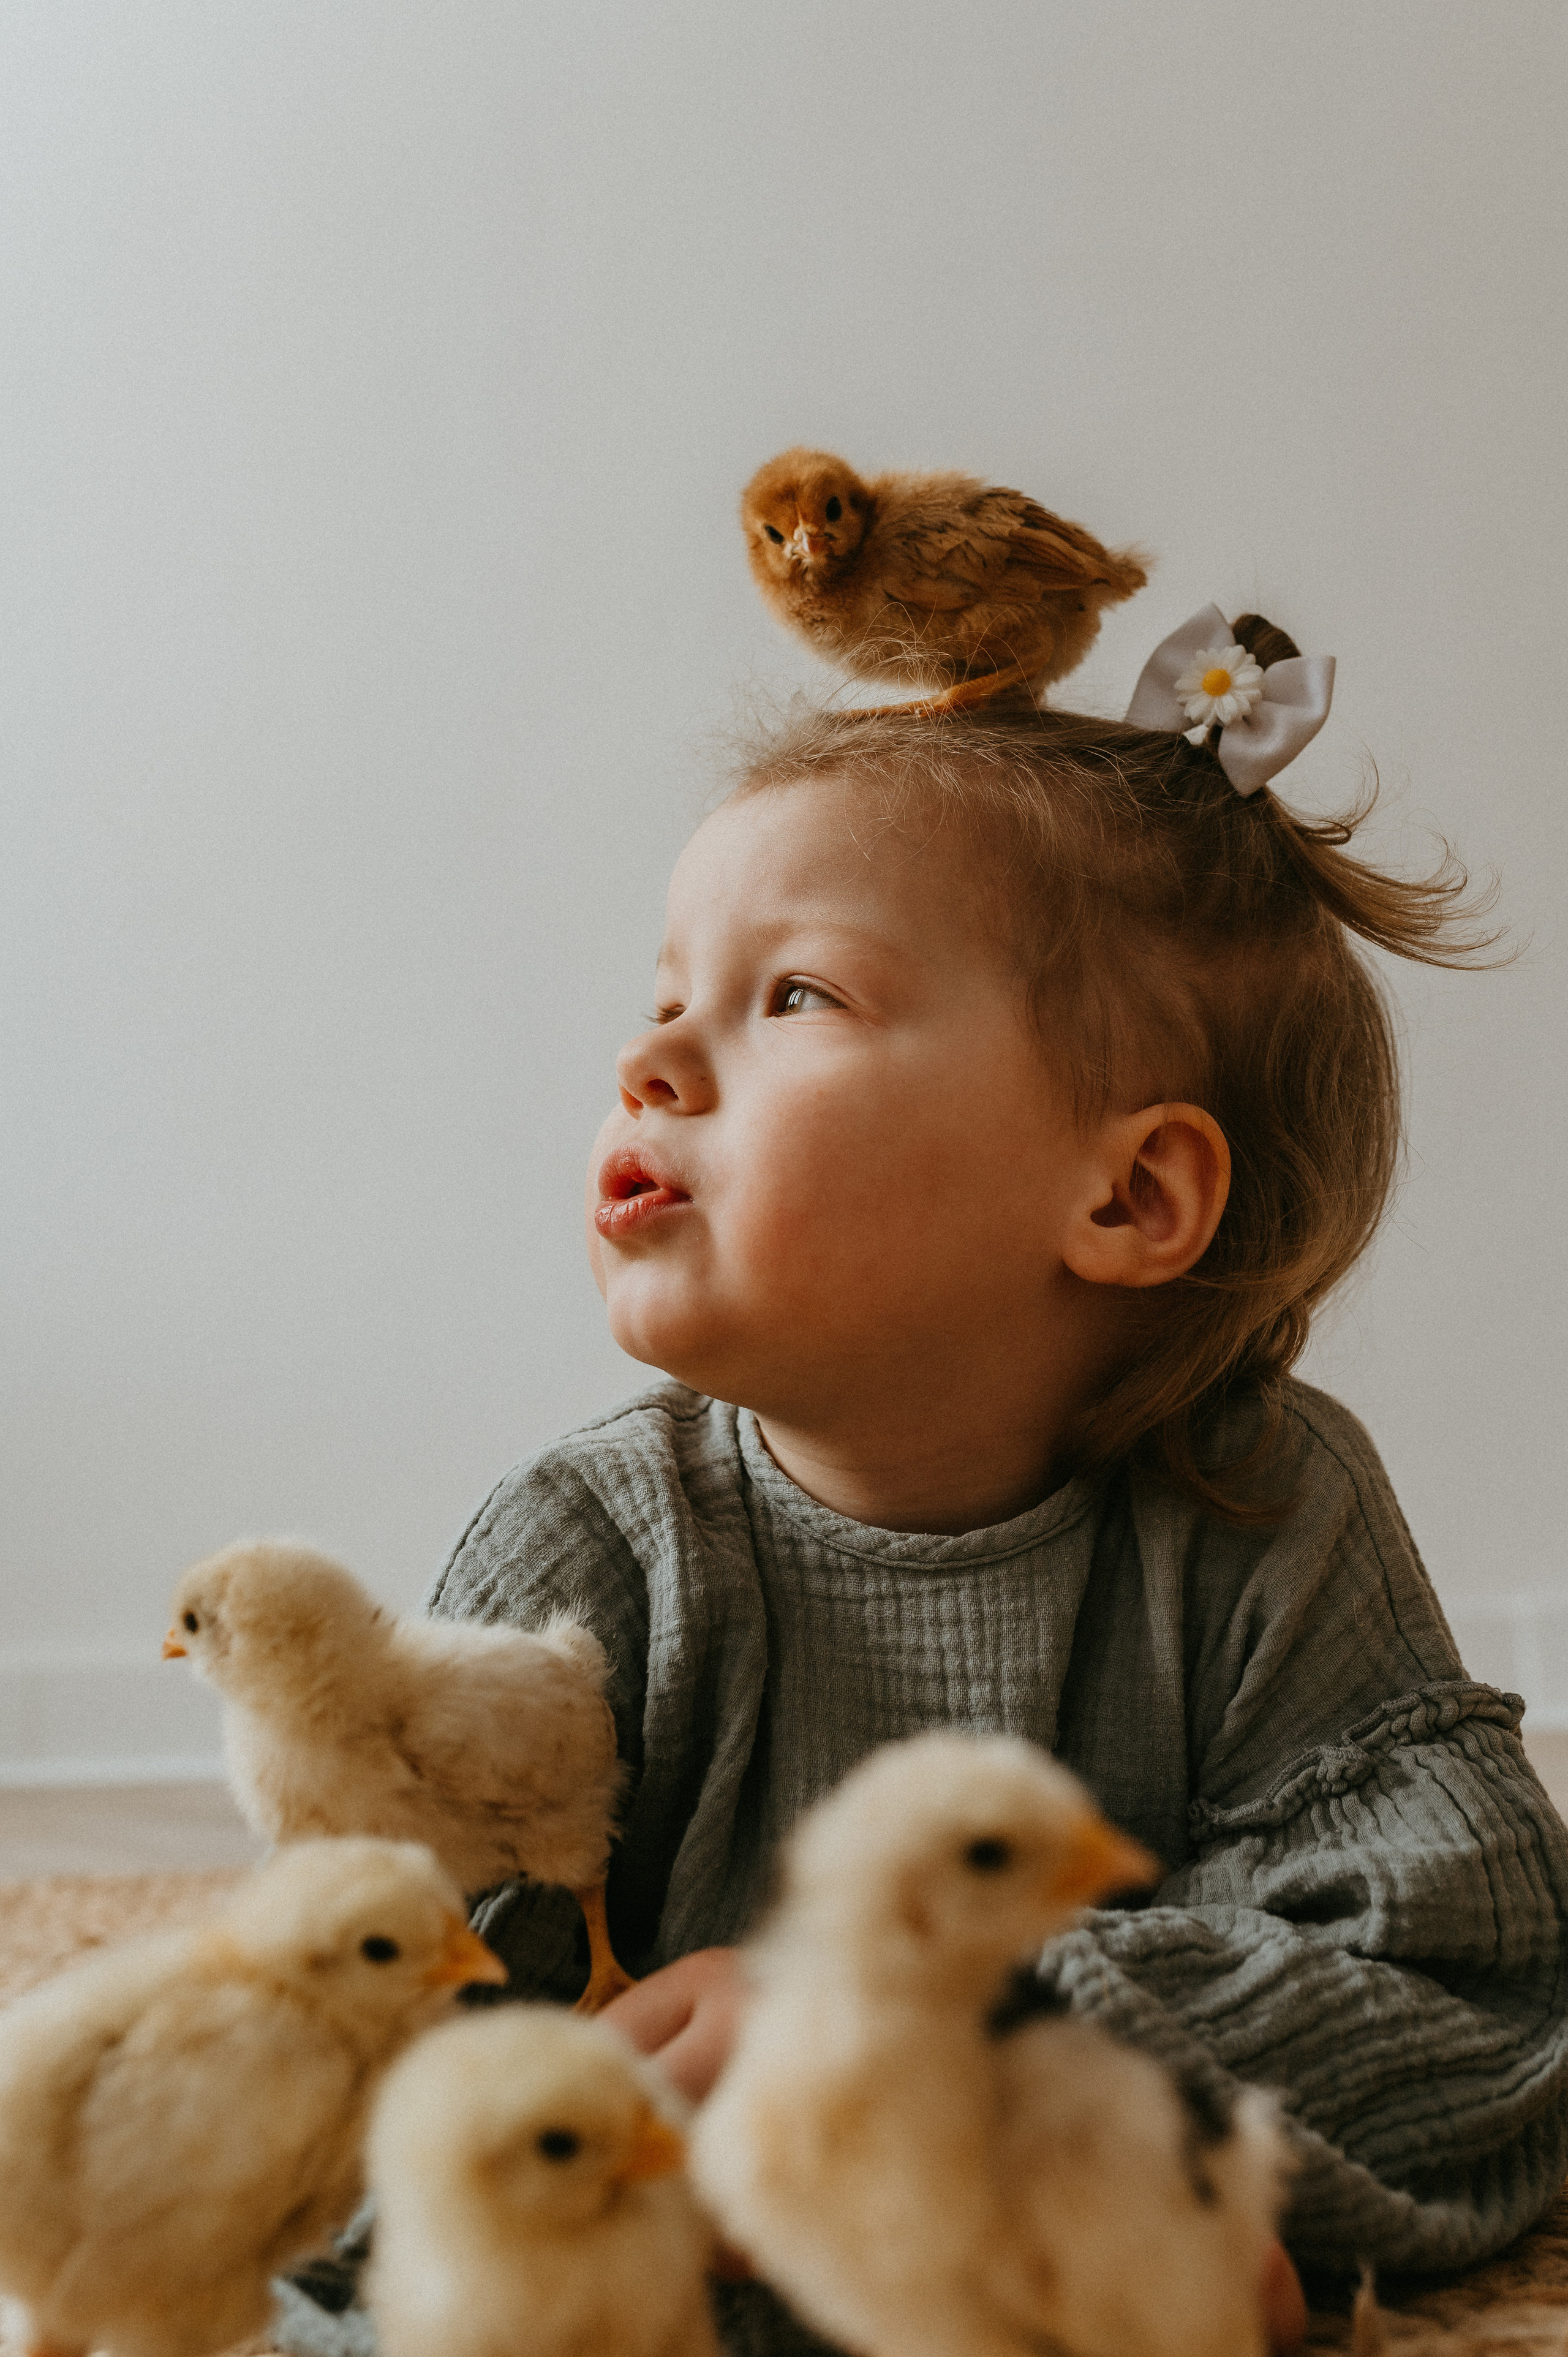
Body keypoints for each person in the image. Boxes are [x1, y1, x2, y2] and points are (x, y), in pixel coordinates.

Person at [299, 611, 1568, 2357]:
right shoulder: (581, 1555)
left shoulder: (1264, 1508)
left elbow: (1479, 1997)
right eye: (666, 993)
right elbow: (329, 2074)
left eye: (794, 995)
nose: (648, 1059)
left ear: (1126, 1199)